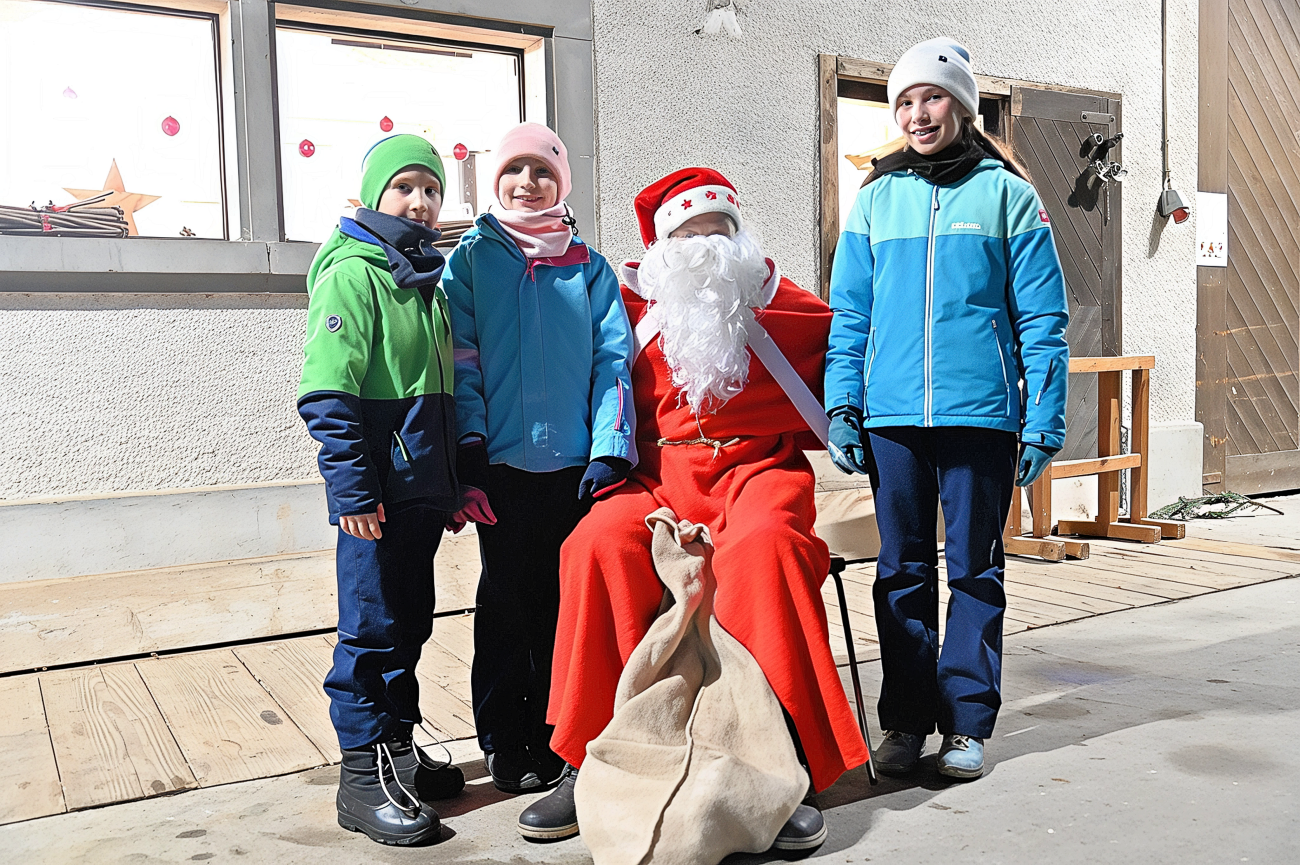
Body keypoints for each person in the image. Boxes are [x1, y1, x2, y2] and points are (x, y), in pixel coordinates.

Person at [517, 167, 869, 852]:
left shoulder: (785, 304)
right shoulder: (622, 307)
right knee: (594, 542)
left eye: (719, 231)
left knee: (768, 547)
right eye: (687, 234)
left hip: (755, 469)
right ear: (660, 248)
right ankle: (588, 752)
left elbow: (853, 350)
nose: (706, 247)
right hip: (655, 473)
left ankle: (781, 760)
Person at [824, 38, 1070, 780]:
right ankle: (905, 720)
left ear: (962, 106)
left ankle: (966, 722)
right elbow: (851, 315)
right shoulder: (875, 198)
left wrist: (1043, 417)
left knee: (974, 570)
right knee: (900, 570)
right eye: (904, 101)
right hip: (892, 418)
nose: (918, 113)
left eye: (932, 97)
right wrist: (843, 404)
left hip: (980, 415)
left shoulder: (1009, 196)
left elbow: (1043, 320)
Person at [441, 123, 637, 795]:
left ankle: (559, 732)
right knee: (505, 601)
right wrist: (470, 446)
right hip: (500, 466)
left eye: (543, 171)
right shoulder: (471, 261)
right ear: (493, 181)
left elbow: (613, 362)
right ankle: (504, 736)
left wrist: (610, 447)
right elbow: (460, 358)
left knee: (563, 605)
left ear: (563, 184)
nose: (528, 183)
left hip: (573, 470)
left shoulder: (588, 267)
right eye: (514, 171)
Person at [297, 134, 467, 846]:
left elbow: (438, 396)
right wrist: (353, 492)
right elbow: (326, 393)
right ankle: (362, 777)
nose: (420, 201)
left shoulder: (424, 278)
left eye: (431, 189)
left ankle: (397, 747)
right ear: (373, 194)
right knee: (369, 631)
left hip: (418, 492)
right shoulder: (353, 275)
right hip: (375, 499)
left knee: (409, 622)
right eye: (404, 187)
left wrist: (447, 484)